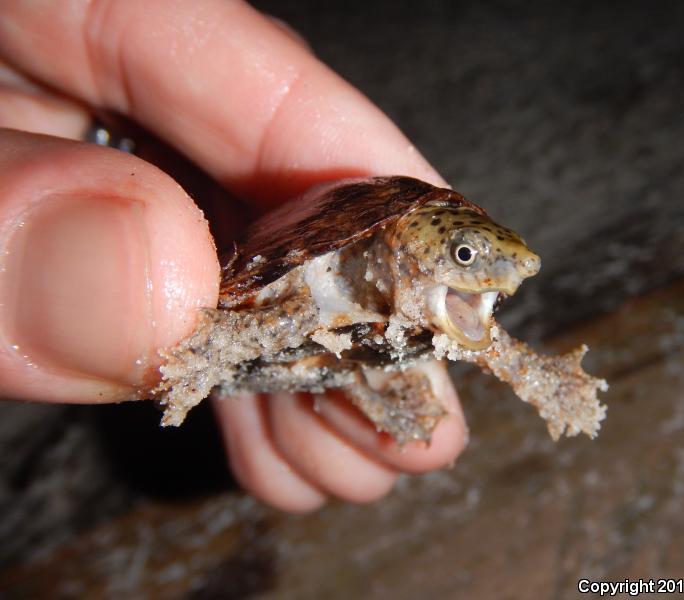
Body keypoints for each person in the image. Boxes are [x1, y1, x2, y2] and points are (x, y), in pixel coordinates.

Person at [0, 1, 467, 513]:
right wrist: (200, 359)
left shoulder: (418, 309)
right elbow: (288, 309)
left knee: (374, 382)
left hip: (327, 366)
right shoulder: (337, 273)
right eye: (465, 254)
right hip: (254, 323)